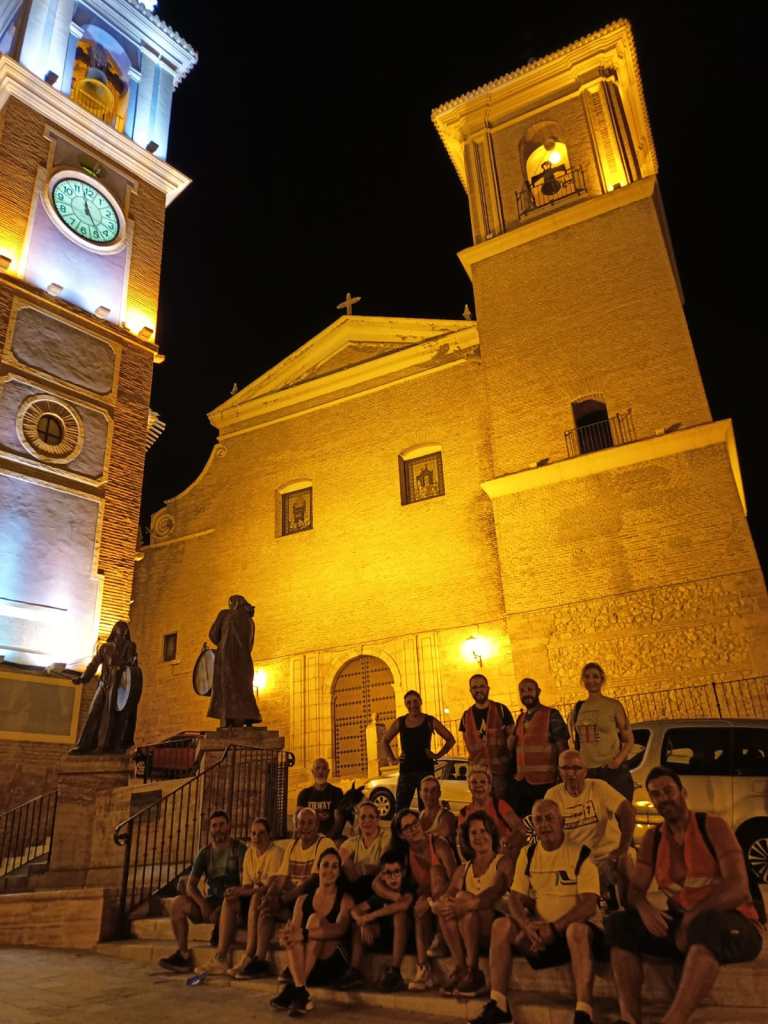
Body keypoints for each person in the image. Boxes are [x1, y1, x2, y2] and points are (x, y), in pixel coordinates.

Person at [605, 766, 763, 1024]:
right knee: (618, 924)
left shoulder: (712, 826)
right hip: (685, 926)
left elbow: (738, 888)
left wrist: (693, 916)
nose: (663, 799)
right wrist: (644, 907)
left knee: (706, 924)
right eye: (656, 794)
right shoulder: (653, 839)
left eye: (668, 791)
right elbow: (635, 892)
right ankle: (629, 1019)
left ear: (683, 792)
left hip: (732, 923)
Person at [470, 799, 604, 1024]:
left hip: (572, 932)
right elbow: (515, 897)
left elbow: (589, 903)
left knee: (576, 931)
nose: (544, 825)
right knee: (501, 925)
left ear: (562, 822)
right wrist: (526, 926)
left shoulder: (581, 853)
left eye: (549, 818)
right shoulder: (528, 853)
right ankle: (499, 1005)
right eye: (539, 820)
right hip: (539, 933)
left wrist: (554, 928)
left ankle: (583, 1012)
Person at [431, 810, 516, 997]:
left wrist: (467, 904)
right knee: (448, 908)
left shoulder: (503, 862)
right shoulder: (464, 869)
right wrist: (440, 903)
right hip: (466, 929)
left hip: (492, 927)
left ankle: (474, 970)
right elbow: (449, 894)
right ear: (467, 838)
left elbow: (494, 893)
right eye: (473, 833)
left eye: (483, 831)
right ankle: (462, 968)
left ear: (491, 834)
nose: (479, 837)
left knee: (464, 902)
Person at [249, 807, 336, 976]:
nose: (306, 827)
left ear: (317, 825)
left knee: (299, 904)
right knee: (266, 909)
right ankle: (260, 959)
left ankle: (295, 966)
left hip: (313, 901)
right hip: (291, 899)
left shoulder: (324, 844)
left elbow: (312, 882)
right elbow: (280, 879)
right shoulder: (292, 845)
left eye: (310, 823)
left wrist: (282, 900)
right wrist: (271, 896)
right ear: (296, 825)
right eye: (302, 823)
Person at [269, 847, 354, 1016]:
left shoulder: (345, 899)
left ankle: (294, 988)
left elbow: (340, 930)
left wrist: (305, 934)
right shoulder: (302, 900)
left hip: (331, 963)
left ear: (339, 872)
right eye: (326, 865)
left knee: (314, 920)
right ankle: (300, 991)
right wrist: (286, 937)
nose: (329, 870)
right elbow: (294, 934)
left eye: (334, 866)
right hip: (307, 965)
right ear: (318, 868)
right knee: (293, 931)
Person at [158, 809, 246, 973]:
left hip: (233, 901)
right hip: (211, 901)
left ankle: (220, 948)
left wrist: (224, 904)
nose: (218, 829)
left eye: (221, 825)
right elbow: (191, 885)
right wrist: (202, 904)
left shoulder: (239, 849)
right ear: (210, 829)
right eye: (214, 826)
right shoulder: (204, 853)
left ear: (229, 827)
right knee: (178, 904)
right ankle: (183, 955)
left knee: (226, 907)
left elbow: (245, 882)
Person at [546, 749, 635, 905]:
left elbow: (627, 810)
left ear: (585, 771)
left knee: (626, 858)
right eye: (565, 768)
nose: (571, 773)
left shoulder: (599, 787)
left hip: (608, 856)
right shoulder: (553, 795)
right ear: (559, 771)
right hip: (578, 863)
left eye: (576, 768)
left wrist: (622, 848)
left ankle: (630, 908)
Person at [382, 807, 457, 990]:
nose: (413, 829)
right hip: (425, 903)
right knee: (419, 909)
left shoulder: (437, 844)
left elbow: (455, 878)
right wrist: (397, 896)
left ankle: (442, 939)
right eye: (407, 828)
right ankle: (423, 968)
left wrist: (431, 898)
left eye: (415, 823)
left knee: (435, 873)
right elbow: (378, 879)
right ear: (401, 835)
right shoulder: (405, 854)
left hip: (446, 897)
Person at [199, 817, 283, 979]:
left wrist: (243, 892)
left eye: (261, 833)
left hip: (268, 899)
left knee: (256, 897)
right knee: (229, 899)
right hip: (253, 897)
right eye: (253, 834)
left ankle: (249, 956)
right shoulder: (250, 853)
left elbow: (268, 887)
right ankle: (221, 957)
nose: (257, 838)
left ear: (269, 835)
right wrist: (236, 891)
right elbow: (247, 885)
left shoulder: (276, 853)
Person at [336, 849, 415, 992]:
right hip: (384, 937)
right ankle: (354, 970)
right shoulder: (381, 894)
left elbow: (403, 905)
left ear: (403, 873)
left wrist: (370, 916)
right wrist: (364, 922)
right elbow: (355, 910)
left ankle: (395, 971)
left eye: (396, 872)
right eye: (388, 873)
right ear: (382, 876)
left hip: (407, 939)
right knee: (357, 925)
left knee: (400, 915)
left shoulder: (407, 888)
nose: (393, 878)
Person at [70, 620, 143, 754]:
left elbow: (132, 665)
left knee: (109, 716)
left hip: (117, 686)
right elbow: (93, 665)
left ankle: (103, 746)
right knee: (93, 712)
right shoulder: (105, 648)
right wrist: (82, 678)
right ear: (115, 630)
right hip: (103, 684)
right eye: (121, 628)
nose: (123, 631)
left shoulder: (129, 646)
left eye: (125, 629)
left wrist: (124, 663)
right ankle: (83, 745)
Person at [568, 662, 634, 799]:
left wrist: (617, 761)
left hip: (611, 771)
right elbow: (576, 742)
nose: (591, 680)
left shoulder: (613, 705)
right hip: (589, 773)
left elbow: (629, 739)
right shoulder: (578, 709)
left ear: (602, 679)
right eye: (587, 677)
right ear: (583, 680)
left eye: (595, 676)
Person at [382, 690, 455, 812]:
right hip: (406, 772)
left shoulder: (430, 721)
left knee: (428, 808)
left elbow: (450, 739)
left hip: (425, 771)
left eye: (415, 701)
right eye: (408, 702)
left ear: (420, 701)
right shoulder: (400, 722)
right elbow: (385, 741)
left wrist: (437, 755)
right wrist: (392, 759)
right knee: (401, 809)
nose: (412, 705)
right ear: (405, 705)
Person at [509, 677, 569, 818]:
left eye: (530, 689)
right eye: (522, 691)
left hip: (546, 782)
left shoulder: (551, 715)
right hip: (523, 783)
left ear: (538, 691)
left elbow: (562, 747)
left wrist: (562, 775)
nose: (526, 694)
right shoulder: (520, 719)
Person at [207, 594, 261, 727]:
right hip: (244, 662)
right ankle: (248, 717)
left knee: (227, 689)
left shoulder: (225, 614)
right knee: (244, 690)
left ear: (234, 604)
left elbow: (213, 635)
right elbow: (250, 645)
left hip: (227, 659)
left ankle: (229, 719)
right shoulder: (250, 622)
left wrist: (224, 642)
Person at [458, 674, 514, 801]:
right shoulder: (466, 717)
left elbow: (512, 738)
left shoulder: (501, 710)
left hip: (501, 774)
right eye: (474, 687)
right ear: (470, 691)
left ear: (488, 688)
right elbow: (468, 744)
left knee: (502, 808)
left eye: (481, 686)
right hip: (478, 777)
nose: (478, 690)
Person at [458, 766, 526, 859]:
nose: (478, 785)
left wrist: (508, 842)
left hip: (501, 858)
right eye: (474, 782)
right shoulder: (464, 813)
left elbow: (520, 829)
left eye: (483, 782)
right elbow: (461, 842)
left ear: (489, 786)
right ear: (469, 786)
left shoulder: (499, 806)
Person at [339, 799, 386, 901]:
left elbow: (384, 866)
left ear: (378, 819)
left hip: (379, 887)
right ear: (358, 820)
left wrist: (361, 868)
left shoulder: (385, 837)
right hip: (358, 887)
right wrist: (362, 869)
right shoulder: (354, 841)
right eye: (363, 817)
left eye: (371, 817)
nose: (367, 821)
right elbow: (340, 860)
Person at [296, 757, 345, 838]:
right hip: (309, 838)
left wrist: (327, 839)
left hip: (331, 838)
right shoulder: (304, 794)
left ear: (328, 772)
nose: (320, 771)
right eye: (317, 768)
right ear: (313, 772)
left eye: (324, 768)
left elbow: (339, 821)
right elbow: (298, 819)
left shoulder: (336, 792)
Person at [419, 774, 457, 843]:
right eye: (425, 790)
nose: (429, 794)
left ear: (439, 793)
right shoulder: (419, 816)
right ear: (420, 794)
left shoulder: (447, 817)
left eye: (433, 790)